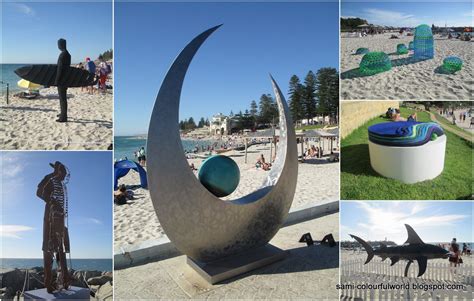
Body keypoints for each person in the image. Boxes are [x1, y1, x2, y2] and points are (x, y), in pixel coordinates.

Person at [36, 161, 71, 293]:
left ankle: (64, 279)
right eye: (63, 173)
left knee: (61, 248)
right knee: (49, 247)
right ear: (58, 172)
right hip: (51, 217)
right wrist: (51, 201)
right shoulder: (50, 180)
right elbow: (39, 192)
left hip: (60, 219)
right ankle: (49, 282)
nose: (65, 176)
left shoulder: (62, 185)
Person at [55, 39, 71, 123]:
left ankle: (63, 117)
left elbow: (60, 69)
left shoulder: (63, 55)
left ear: (61, 45)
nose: (58, 46)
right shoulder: (68, 54)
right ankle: (63, 113)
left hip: (62, 80)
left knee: (62, 98)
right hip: (66, 79)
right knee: (63, 98)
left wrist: (56, 80)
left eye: (58, 44)